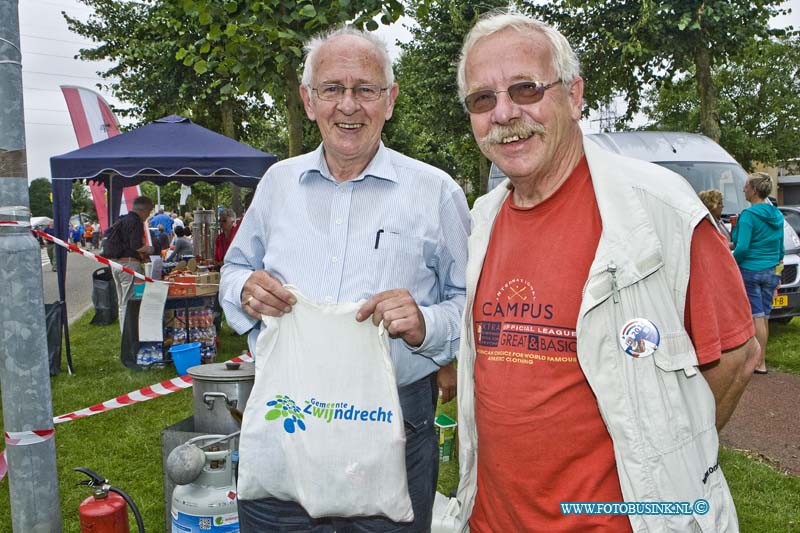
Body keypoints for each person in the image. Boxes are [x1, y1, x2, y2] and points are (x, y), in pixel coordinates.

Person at [453, 12, 759, 532]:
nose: (504, 112)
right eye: (483, 99)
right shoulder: (484, 219)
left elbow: (737, 353)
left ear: (574, 96)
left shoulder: (657, 209)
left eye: (525, 89)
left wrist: (673, 461)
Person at [219, 26, 469, 532]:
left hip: (394, 420)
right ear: (308, 101)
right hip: (287, 414)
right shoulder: (277, 184)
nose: (348, 106)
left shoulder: (437, 193)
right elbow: (234, 270)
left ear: (390, 100)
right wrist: (244, 291)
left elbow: (472, 305)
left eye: (365, 90)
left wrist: (425, 323)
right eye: (332, 89)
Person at [732, 173, 784, 375]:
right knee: (765, 317)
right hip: (772, 271)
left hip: (751, 271)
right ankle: (761, 361)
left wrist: (730, 262)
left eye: (746, 186)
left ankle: (757, 362)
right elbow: (780, 250)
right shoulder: (777, 215)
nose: (744, 189)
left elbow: (742, 248)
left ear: (754, 190)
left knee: (756, 317)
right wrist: (778, 276)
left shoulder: (749, 216)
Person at [103, 195, 154, 331]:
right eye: (149, 212)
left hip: (116, 264)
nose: (147, 216)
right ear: (144, 210)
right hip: (129, 265)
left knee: (122, 301)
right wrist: (150, 249)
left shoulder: (122, 220)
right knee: (130, 301)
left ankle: (124, 332)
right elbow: (136, 246)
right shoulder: (136, 222)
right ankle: (129, 334)